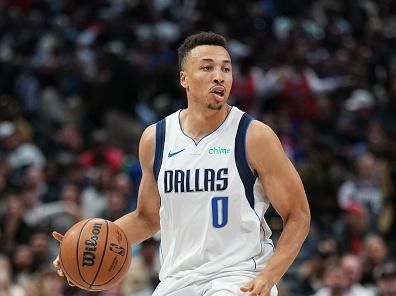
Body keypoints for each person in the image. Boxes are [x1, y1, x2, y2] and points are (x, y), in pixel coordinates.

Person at [52, 32, 311, 296]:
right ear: (184, 78)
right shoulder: (156, 139)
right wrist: (83, 247)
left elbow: (298, 215)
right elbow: (147, 218)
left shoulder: (254, 136)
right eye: (207, 67)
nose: (219, 76)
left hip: (238, 279)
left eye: (226, 68)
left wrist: (268, 277)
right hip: (177, 281)